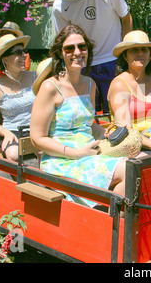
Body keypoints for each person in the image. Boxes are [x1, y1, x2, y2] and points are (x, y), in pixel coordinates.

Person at [30, 24, 126, 207]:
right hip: (62, 161)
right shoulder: (50, 87)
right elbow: (36, 138)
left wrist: (103, 132)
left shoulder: (90, 84)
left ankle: (112, 223)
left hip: (90, 153)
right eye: (69, 48)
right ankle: (112, 227)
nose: (77, 52)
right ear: (60, 53)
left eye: (82, 47)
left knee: (139, 162)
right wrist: (75, 153)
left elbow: (88, 124)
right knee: (128, 171)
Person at [50, 0, 133, 114]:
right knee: (88, 114)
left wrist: (125, 52)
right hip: (83, 65)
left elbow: (126, 18)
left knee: (117, 112)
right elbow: (64, 41)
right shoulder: (60, 6)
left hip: (113, 60)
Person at [107, 30, 151, 152]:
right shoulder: (119, 84)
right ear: (125, 55)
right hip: (132, 146)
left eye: (144, 49)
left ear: (150, 54)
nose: (140, 53)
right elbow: (125, 130)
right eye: (134, 50)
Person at [0, 34, 35, 162]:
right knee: (13, 155)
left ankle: (44, 182)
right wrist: (5, 132)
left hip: (37, 129)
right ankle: (22, 182)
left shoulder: (34, 76)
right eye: (18, 52)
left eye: (24, 51)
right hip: (13, 132)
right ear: (5, 59)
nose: (24, 55)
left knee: (45, 151)